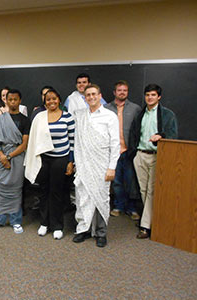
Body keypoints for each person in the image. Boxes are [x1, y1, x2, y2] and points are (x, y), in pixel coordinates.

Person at [72, 84, 120, 248]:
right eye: (88, 95)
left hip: (102, 164)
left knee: (101, 198)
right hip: (84, 163)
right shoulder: (80, 115)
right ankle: (83, 229)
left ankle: (101, 233)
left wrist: (112, 167)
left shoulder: (109, 116)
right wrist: (78, 164)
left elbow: (115, 143)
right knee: (83, 198)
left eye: (94, 94)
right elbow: (77, 142)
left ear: (100, 96)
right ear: (85, 98)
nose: (91, 97)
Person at [128, 84, 178, 239]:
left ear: (159, 97)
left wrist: (160, 136)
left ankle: (145, 226)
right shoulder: (141, 114)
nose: (150, 98)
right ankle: (151, 220)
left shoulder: (167, 115)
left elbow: (173, 135)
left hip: (157, 156)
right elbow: (134, 134)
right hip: (141, 155)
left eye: (153, 95)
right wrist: (134, 153)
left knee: (151, 191)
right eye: (147, 95)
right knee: (143, 191)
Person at [25, 88, 75, 239]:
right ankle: (44, 223)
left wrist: (71, 162)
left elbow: (73, 141)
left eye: (54, 99)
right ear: (44, 102)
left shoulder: (68, 117)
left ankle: (57, 225)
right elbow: (34, 139)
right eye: (48, 99)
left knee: (57, 192)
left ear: (59, 100)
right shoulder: (40, 117)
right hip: (44, 159)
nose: (51, 101)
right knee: (44, 191)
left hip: (61, 159)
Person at [0, 89, 30, 234]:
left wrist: (9, 157)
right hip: (1, 156)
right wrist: (2, 156)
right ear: (6, 100)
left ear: (19, 101)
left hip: (17, 157)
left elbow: (24, 144)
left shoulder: (25, 120)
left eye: (15, 99)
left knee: (16, 189)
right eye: (9, 99)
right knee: (1, 189)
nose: (12, 102)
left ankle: (15, 221)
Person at [105, 80, 141, 220]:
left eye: (125, 90)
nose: (122, 92)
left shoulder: (135, 108)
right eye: (119, 90)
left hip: (129, 151)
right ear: (114, 92)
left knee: (131, 181)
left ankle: (132, 208)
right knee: (117, 181)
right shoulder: (106, 108)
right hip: (113, 151)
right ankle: (119, 206)